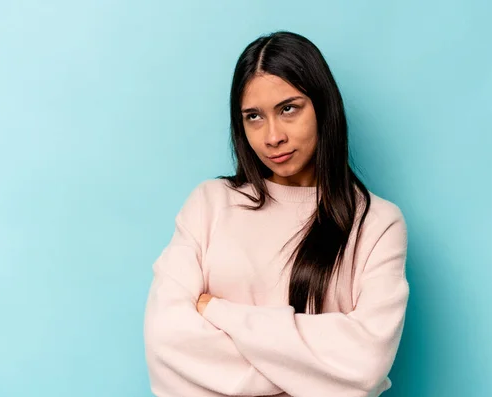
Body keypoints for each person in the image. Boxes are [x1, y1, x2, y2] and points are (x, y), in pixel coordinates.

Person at [143, 30, 409, 397]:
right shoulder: (210, 204)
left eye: (288, 109)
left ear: (323, 107)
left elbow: (366, 360)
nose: (272, 137)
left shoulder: (377, 224)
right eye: (254, 116)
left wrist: (220, 313)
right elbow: (166, 341)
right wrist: (313, 373)